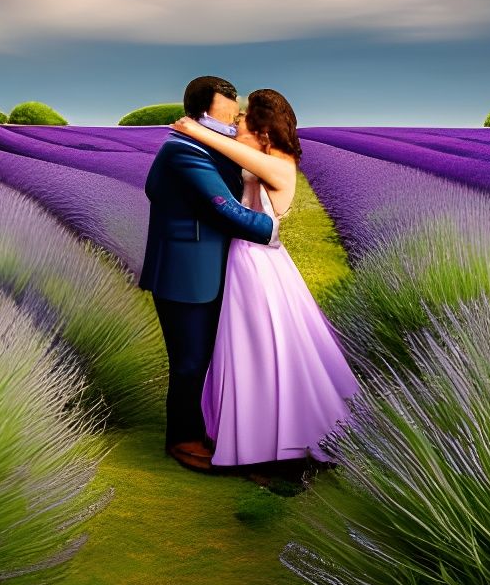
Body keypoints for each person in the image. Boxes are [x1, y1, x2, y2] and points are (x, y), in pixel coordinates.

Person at [169, 89, 360, 468]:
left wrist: (192, 127)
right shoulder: (266, 159)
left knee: (259, 348)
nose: (234, 125)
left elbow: (221, 146)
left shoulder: (280, 165)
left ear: (265, 134)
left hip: (257, 263)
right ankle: (251, 433)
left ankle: (266, 442)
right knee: (250, 349)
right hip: (249, 258)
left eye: (242, 120)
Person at [140, 76, 279, 472]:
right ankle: (181, 439)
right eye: (226, 113)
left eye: (235, 113)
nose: (234, 120)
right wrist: (269, 230)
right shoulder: (183, 150)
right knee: (189, 362)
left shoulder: (205, 145)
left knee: (208, 358)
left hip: (213, 268)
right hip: (185, 274)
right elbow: (220, 205)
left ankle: (208, 427)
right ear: (201, 112)